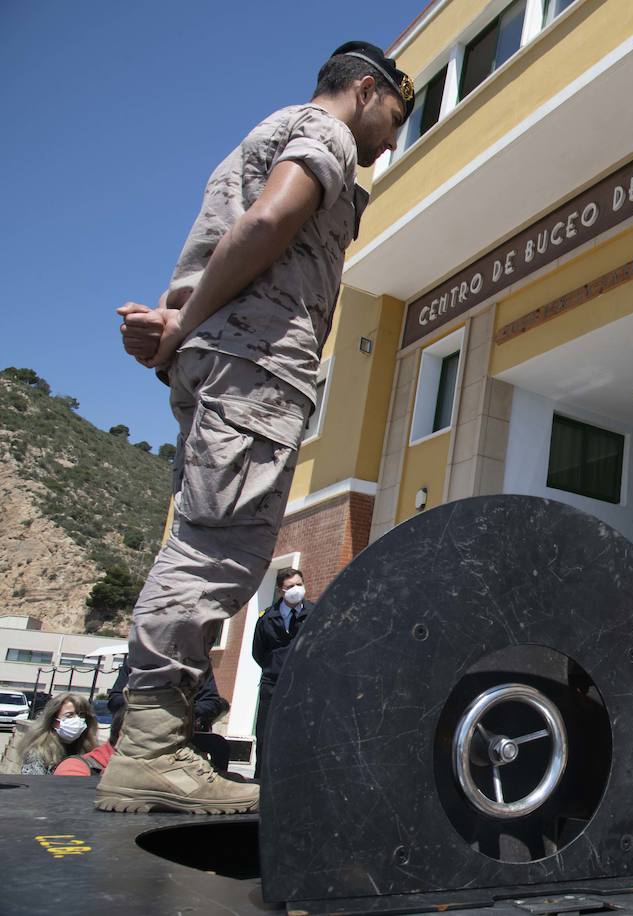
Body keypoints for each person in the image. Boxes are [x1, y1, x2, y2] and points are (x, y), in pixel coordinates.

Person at [102, 42, 412, 814]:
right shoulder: (327, 132)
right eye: (395, 117)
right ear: (364, 89)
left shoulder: (266, 132)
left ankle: (153, 742)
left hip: (222, 359)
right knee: (218, 551)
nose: (390, 142)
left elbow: (226, 242)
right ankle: (150, 752)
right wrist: (183, 327)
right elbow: (269, 221)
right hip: (255, 365)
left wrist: (176, 323)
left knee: (201, 540)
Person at [252, 567, 313, 778]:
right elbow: (258, 652)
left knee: (300, 736)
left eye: (299, 584)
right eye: (290, 586)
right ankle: (261, 782)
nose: (296, 589)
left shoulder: (315, 614)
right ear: (280, 590)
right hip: (273, 685)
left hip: (304, 685)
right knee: (267, 736)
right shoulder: (266, 618)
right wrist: (276, 668)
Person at [13, 694, 100, 776]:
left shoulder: (90, 750)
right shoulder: (37, 753)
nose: (77, 720)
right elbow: (34, 784)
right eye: (69, 715)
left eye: (81, 715)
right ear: (53, 721)